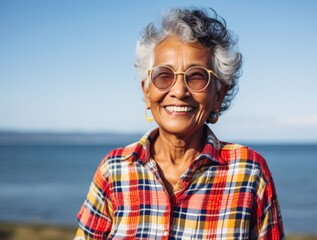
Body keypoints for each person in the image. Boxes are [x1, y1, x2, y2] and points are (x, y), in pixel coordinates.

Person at [75, 7, 284, 240]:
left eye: (197, 76)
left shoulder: (249, 172)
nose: (179, 91)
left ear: (218, 94)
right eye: (164, 75)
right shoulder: (114, 170)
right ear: (146, 90)